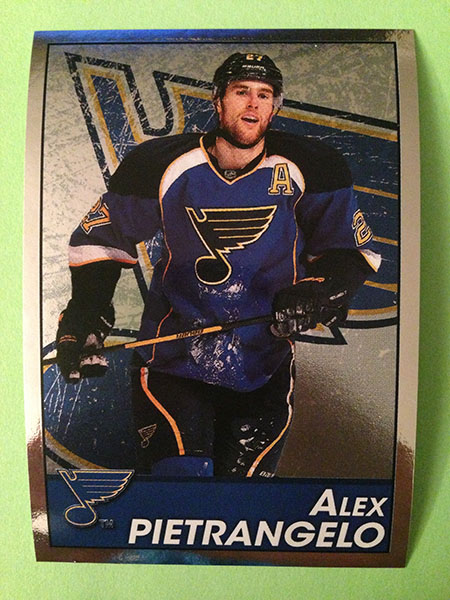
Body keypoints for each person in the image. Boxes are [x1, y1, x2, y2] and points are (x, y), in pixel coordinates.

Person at [56, 53, 381, 478]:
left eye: (264, 94)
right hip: (171, 359)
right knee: (182, 488)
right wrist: (87, 312)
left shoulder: (315, 166)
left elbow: (349, 252)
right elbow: (101, 238)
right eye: (241, 91)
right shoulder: (160, 164)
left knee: (238, 505)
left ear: (275, 106)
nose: (253, 103)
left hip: (263, 365)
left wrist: (320, 290)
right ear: (217, 99)